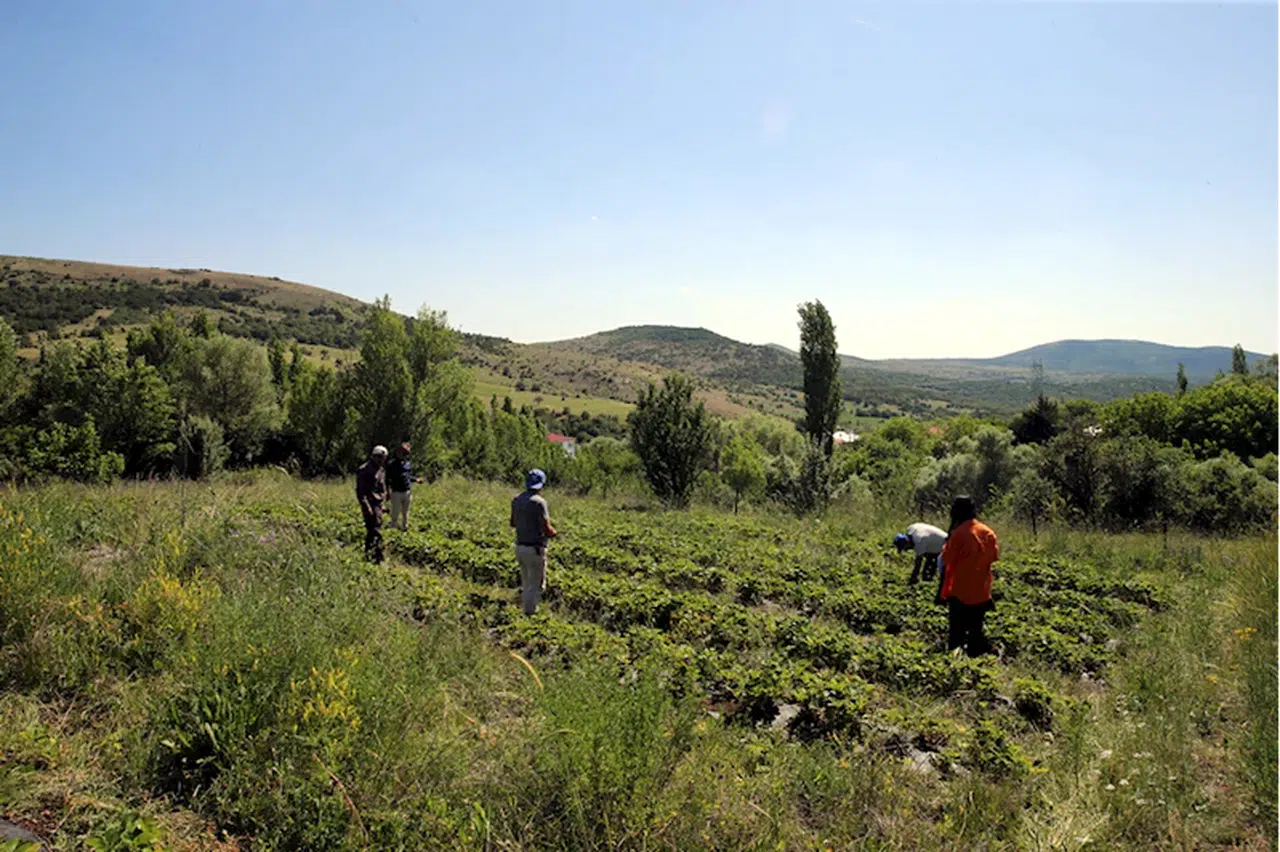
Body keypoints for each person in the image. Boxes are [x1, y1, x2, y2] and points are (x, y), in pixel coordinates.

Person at [938, 495, 999, 657]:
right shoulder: (988, 532)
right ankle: (978, 662)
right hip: (981, 590)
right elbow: (993, 558)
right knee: (975, 630)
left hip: (960, 590)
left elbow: (945, 559)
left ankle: (956, 666)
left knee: (956, 634)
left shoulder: (959, 533)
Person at [510, 468, 558, 615]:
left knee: (526, 583)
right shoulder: (539, 502)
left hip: (520, 547)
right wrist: (554, 533)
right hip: (535, 549)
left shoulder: (517, 500)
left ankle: (526, 609)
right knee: (536, 586)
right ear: (541, 485)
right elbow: (546, 527)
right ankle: (529, 616)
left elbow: (513, 523)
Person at [355, 445, 388, 563]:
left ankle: (369, 555)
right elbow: (360, 491)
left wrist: (382, 504)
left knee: (373, 531)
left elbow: (381, 488)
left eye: (383, 458)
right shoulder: (364, 470)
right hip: (369, 504)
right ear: (373, 456)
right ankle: (378, 557)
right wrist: (366, 506)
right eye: (379, 457)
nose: (381, 460)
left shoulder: (381, 470)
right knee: (375, 530)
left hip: (377, 504)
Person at [385, 442, 423, 531]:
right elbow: (387, 479)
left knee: (406, 512)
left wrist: (416, 480)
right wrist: (387, 491)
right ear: (398, 452)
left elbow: (407, 476)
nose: (405, 455)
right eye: (404, 453)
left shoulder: (407, 463)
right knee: (395, 513)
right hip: (396, 492)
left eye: (406, 453)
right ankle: (393, 529)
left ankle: (405, 528)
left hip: (407, 491)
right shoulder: (391, 464)